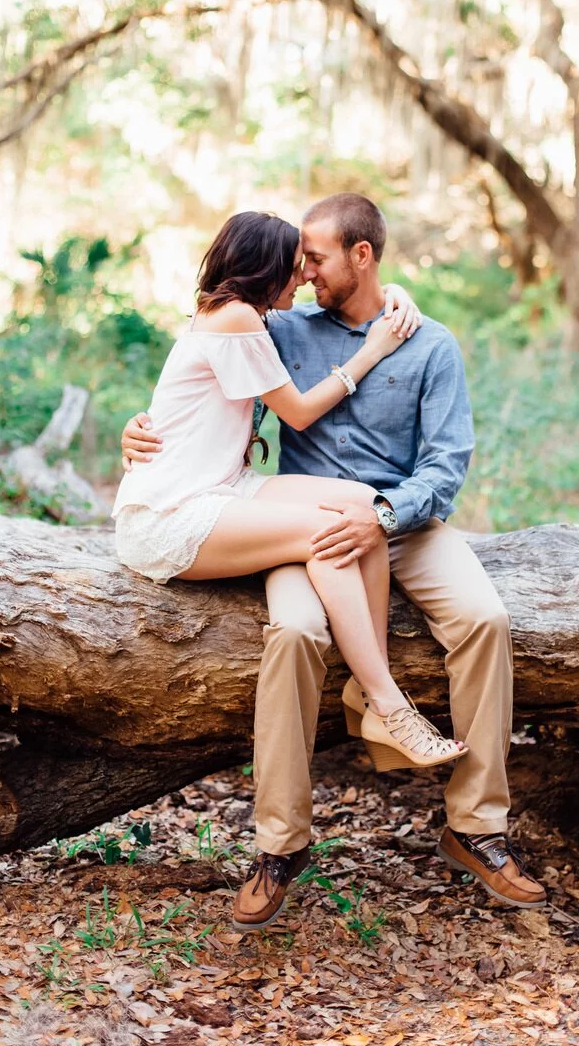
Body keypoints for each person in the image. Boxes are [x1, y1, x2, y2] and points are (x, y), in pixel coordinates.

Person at [122, 195, 546, 928]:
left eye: (316, 259)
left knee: (486, 619)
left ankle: (476, 828)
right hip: (299, 523)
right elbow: (201, 373)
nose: (304, 272)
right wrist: (139, 432)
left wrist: (384, 516)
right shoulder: (283, 326)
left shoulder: (429, 343)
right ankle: (280, 846)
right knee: (291, 636)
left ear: (364, 256)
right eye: (297, 262)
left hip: (402, 521)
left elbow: (446, 467)